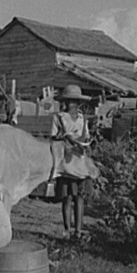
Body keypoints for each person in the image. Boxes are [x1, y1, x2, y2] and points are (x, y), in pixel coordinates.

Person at [50, 84, 95, 241]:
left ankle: (78, 230)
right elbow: (53, 138)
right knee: (67, 196)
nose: (71, 105)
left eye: (74, 101)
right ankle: (67, 230)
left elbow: (87, 137)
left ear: (78, 103)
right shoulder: (59, 118)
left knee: (79, 197)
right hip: (66, 160)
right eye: (68, 101)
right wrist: (65, 138)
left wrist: (84, 141)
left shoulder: (83, 119)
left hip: (79, 160)